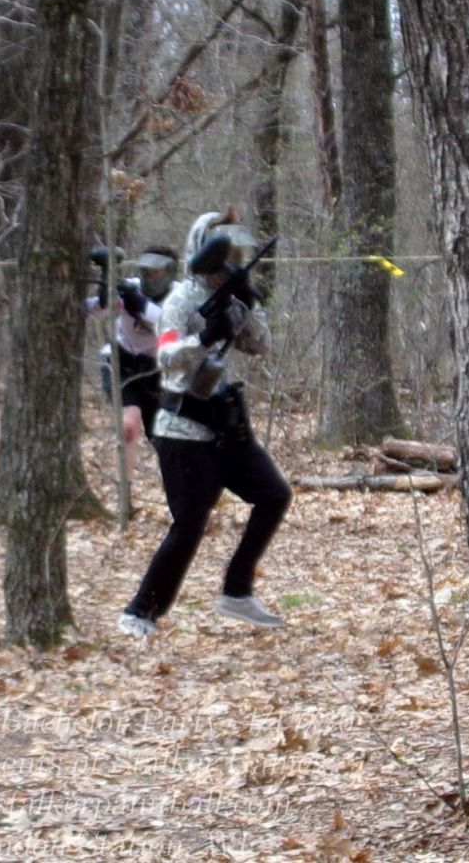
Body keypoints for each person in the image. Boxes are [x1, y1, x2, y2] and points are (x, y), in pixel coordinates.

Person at [117, 209, 292, 639]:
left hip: (225, 428)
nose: (229, 266)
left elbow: (261, 346)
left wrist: (249, 305)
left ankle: (237, 592)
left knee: (273, 495)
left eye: (235, 257)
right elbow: (165, 356)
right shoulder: (179, 300)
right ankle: (139, 612)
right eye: (224, 257)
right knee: (190, 525)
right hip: (183, 432)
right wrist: (204, 338)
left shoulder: (230, 297)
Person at [86, 245, 179, 492]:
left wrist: (141, 306)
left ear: (170, 272)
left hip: (157, 371)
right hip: (121, 362)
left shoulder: (180, 297)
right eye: (146, 271)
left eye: (156, 272)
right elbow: (96, 308)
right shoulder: (130, 288)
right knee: (129, 424)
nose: (150, 277)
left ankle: (179, 494)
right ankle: (124, 494)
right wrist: (107, 291)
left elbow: (175, 327)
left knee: (164, 438)